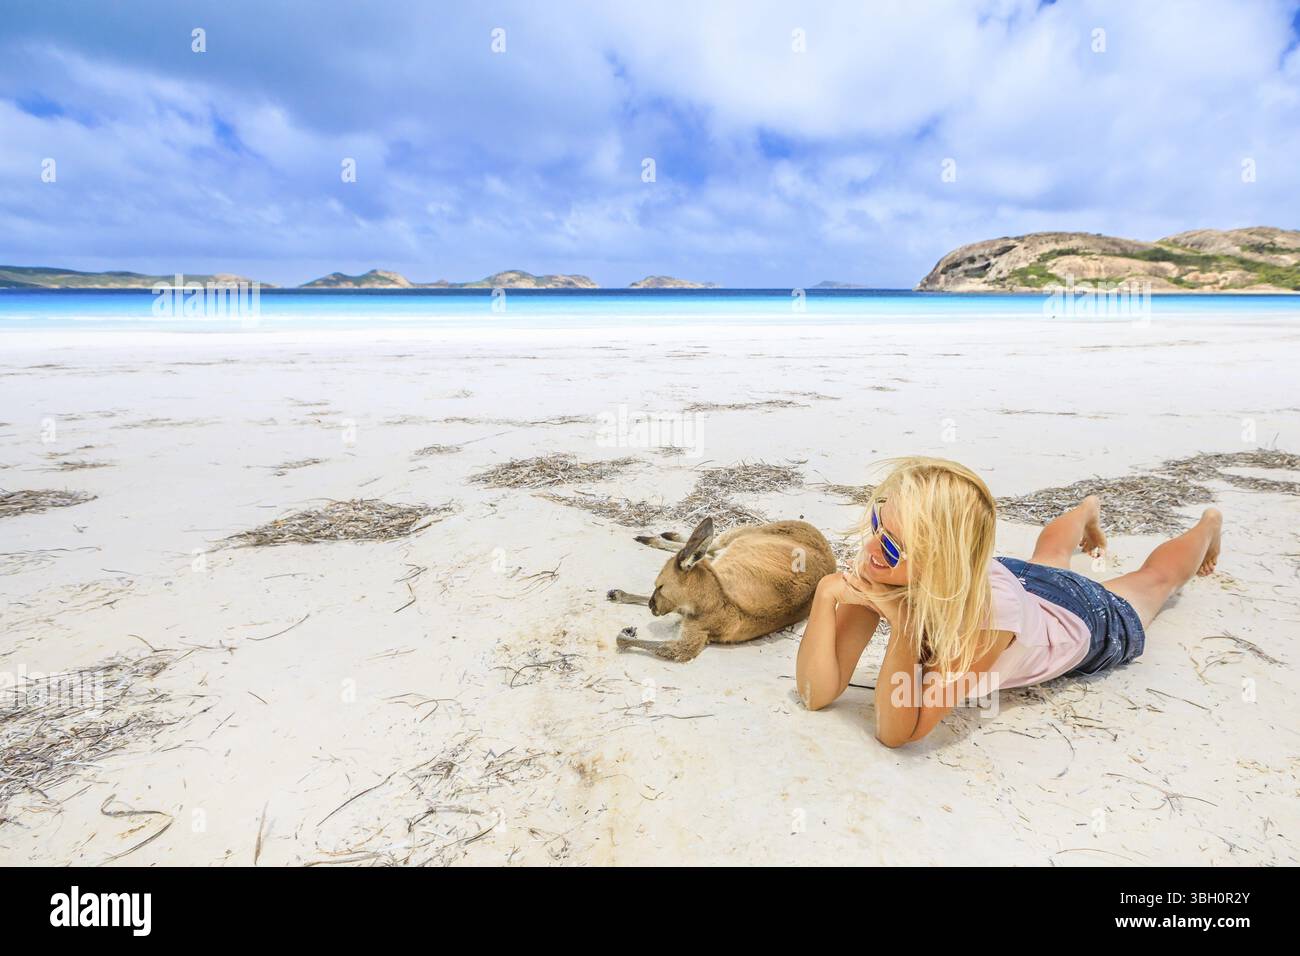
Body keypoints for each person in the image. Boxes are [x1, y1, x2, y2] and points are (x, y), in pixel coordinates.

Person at [794, 456, 1222, 747]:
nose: (871, 548)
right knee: (1049, 558)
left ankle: (1207, 525)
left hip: (1078, 618)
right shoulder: (886, 562)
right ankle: (1087, 509)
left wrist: (904, 626)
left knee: (1153, 581)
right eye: (876, 522)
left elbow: (897, 733)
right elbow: (816, 694)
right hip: (1013, 579)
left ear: (941, 562)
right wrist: (827, 593)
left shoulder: (987, 620)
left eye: (891, 546)